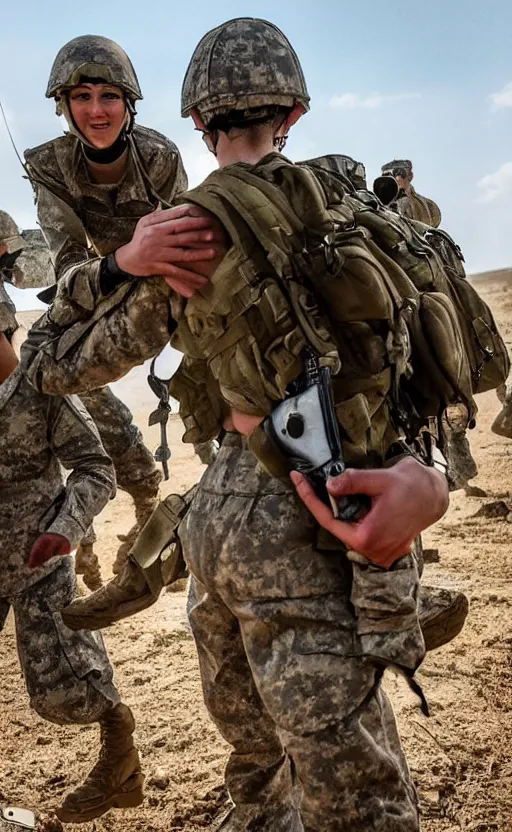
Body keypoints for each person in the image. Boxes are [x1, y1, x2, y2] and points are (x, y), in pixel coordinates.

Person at [21, 18, 465, 830]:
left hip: (239, 512)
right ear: (292, 112)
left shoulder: (187, 233)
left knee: (261, 772)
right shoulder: (352, 202)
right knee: (358, 784)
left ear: (195, 121)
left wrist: (120, 264)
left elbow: (54, 364)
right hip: (352, 492)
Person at [23, 34, 221, 577]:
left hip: (164, 284)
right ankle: (64, 529)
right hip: (94, 285)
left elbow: (184, 241)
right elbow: (66, 267)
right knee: (34, 373)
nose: (95, 110)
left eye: (108, 95)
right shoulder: (49, 165)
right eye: (81, 96)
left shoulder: (159, 156)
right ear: (63, 105)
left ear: (128, 103)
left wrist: (151, 273)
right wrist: (119, 264)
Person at [0, 247, 143, 824]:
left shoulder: (41, 387)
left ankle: (120, 756)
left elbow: (96, 468)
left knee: (66, 686)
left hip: (38, 560)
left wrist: (65, 529)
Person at [379, 158, 442, 227]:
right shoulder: (378, 202)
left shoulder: (430, 206)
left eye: (397, 173)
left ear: (410, 176)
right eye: (386, 176)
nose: (391, 179)